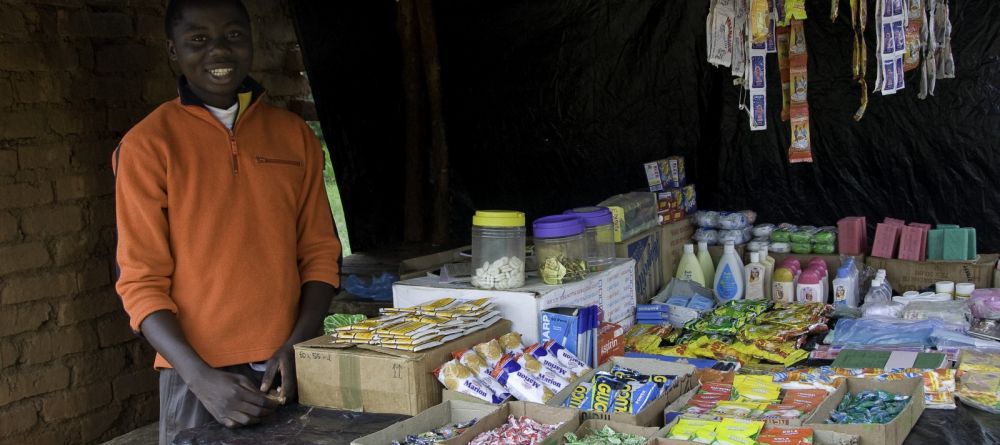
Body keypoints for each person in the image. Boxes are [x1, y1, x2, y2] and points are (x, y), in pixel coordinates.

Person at [112, 1, 342, 443]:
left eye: (233, 35)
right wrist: (199, 376)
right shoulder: (147, 145)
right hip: (198, 376)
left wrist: (299, 343)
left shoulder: (293, 136)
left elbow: (320, 253)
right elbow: (139, 282)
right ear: (173, 51)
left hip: (288, 366)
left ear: (251, 42)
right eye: (198, 39)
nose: (218, 50)